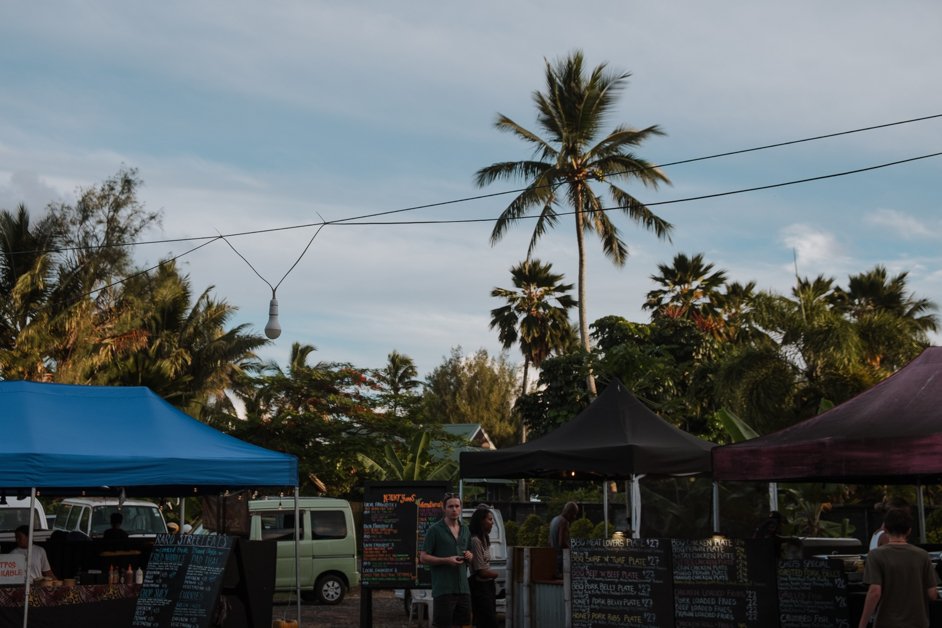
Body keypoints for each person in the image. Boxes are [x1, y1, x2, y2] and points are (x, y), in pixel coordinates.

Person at [859, 508, 937, 628]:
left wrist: (862, 624)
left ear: (885, 529)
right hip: (918, 623)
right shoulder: (923, 555)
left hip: (887, 623)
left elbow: (874, 592)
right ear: (909, 531)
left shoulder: (876, 555)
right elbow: (932, 594)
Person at [418, 493, 473, 628]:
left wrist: (470, 556)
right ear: (444, 509)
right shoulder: (434, 530)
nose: (454, 509)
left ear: (460, 508)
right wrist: (446, 560)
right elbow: (423, 557)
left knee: (465, 624)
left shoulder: (465, 529)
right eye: (450, 506)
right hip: (444, 589)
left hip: (463, 589)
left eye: (457, 506)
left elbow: (470, 552)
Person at [468, 506, 499, 628]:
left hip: (488, 586)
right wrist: (497, 574)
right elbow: (481, 571)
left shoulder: (485, 538)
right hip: (480, 587)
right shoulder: (475, 540)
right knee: (487, 621)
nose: (492, 523)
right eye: (490, 519)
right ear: (482, 521)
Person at [548, 502, 579, 578]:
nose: (574, 517)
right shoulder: (564, 522)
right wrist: (573, 552)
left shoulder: (554, 520)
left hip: (553, 558)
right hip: (561, 559)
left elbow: (549, 540)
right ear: (570, 512)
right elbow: (561, 542)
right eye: (574, 514)